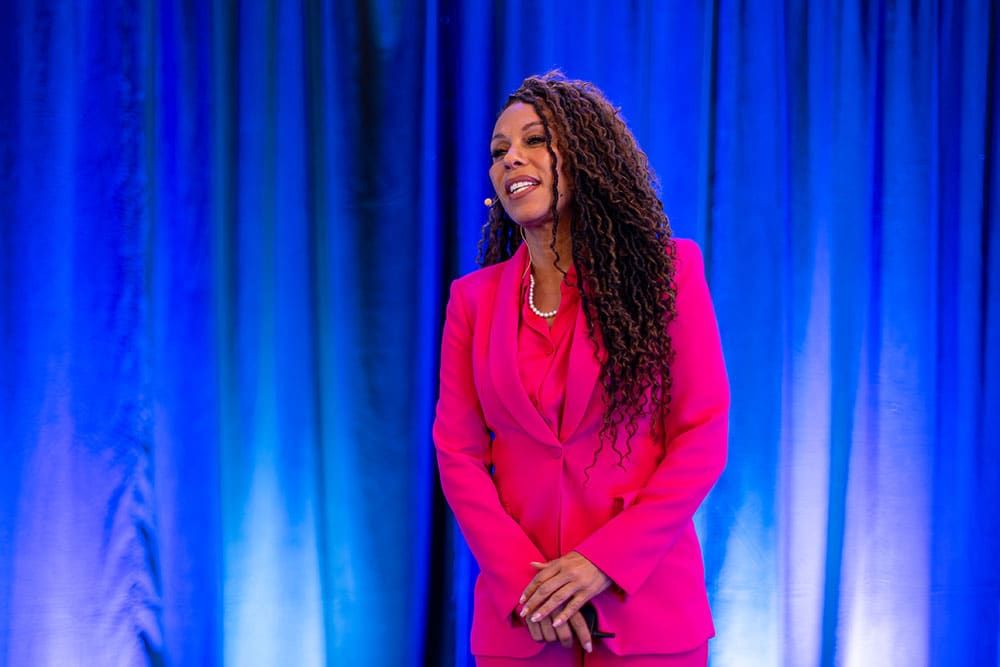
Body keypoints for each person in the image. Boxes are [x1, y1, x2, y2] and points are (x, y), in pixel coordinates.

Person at [433, 71, 729, 666]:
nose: (511, 157)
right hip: (524, 622)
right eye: (498, 150)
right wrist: (529, 585)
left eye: (535, 140)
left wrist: (603, 562)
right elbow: (458, 454)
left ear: (586, 158)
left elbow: (701, 435)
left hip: (646, 609)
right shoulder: (472, 301)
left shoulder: (668, 274)